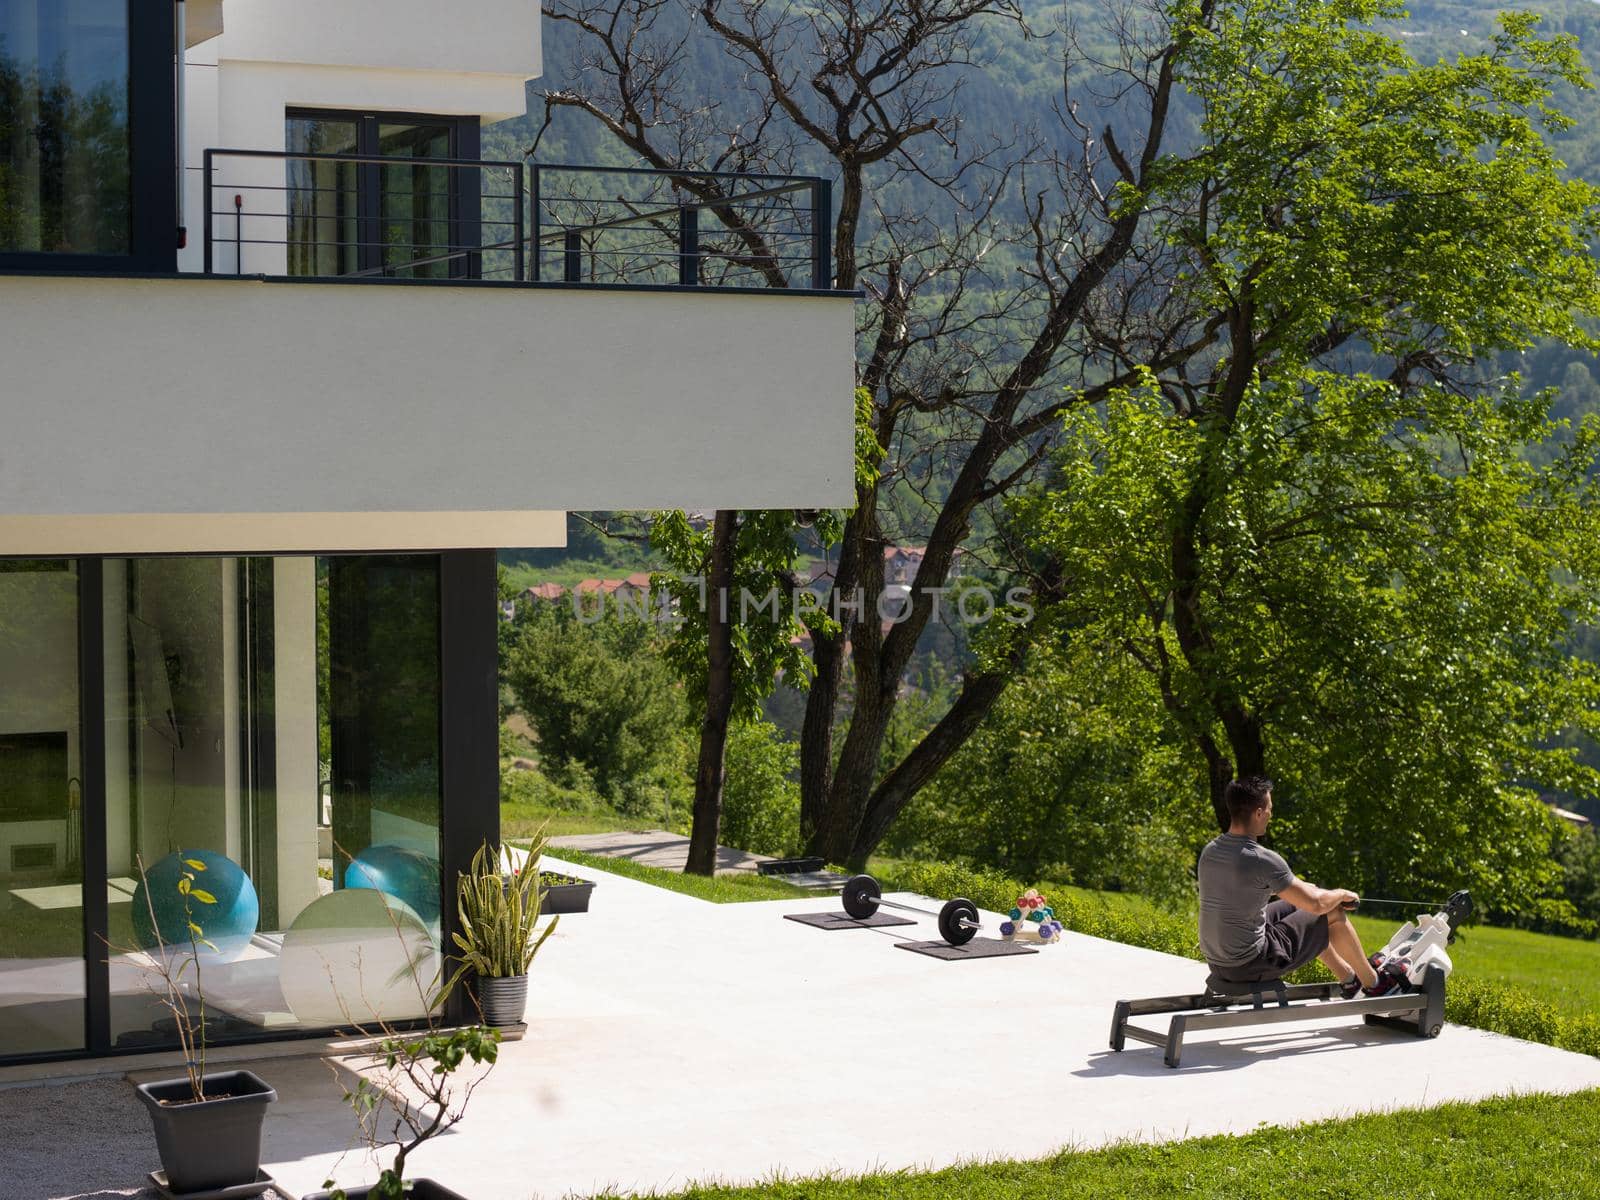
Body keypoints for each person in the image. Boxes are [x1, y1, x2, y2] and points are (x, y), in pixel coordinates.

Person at [1197, 775, 1397, 998]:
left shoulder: (1211, 850)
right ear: (1259, 813)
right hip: (1250, 964)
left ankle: (1349, 979)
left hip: (1217, 962)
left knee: (1295, 906)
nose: (1271, 814)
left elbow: (1242, 887)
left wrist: (1304, 888)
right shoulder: (1262, 859)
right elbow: (1317, 904)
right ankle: (1374, 983)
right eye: (1270, 808)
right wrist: (1340, 894)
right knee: (1331, 910)